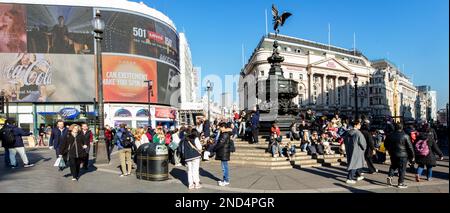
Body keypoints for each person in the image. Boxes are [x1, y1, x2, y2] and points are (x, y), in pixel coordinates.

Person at [384, 123, 415, 188]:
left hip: (393, 154)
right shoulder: (405, 136)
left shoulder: (390, 135)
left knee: (393, 165)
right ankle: (400, 183)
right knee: (402, 169)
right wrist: (412, 156)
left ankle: (390, 176)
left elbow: (385, 144)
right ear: (402, 128)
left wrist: (389, 149)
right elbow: (410, 147)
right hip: (403, 155)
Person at [344, 120, 367, 184]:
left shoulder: (348, 132)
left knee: (354, 163)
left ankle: (358, 175)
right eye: (359, 124)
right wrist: (364, 149)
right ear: (355, 125)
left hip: (349, 150)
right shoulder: (358, 133)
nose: (360, 126)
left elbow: (345, 141)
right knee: (354, 164)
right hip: (357, 151)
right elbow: (363, 143)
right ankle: (349, 178)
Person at [214, 122, 232, 186]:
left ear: (223, 127)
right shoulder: (224, 133)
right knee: (224, 166)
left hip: (224, 152)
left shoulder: (225, 134)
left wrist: (214, 148)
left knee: (224, 167)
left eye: (220, 127)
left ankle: (226, 180)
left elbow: (220, 143)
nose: (220, 129)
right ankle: (225, 180)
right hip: (224, 152)